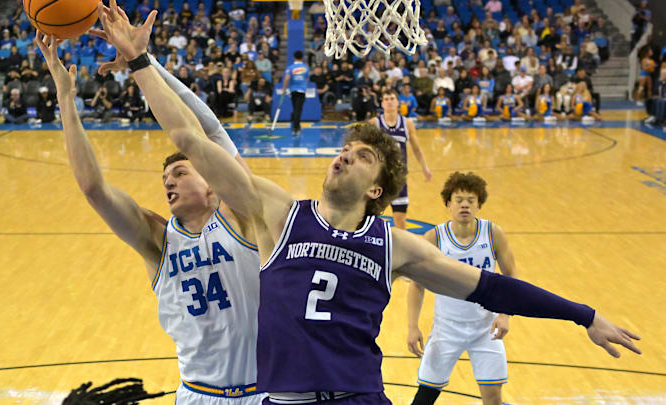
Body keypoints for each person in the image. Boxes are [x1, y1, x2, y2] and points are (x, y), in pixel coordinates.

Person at [96, 4, 641, 405]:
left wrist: (583, 314)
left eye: (359, 157)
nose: (341, 158)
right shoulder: (280, 216)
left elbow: (491, 287)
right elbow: (196, 139)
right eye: (343, 149)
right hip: (280, 399)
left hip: (359, 398)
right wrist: (143, 62)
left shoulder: (394, 245)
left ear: (377, 189)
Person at [36, 22, 266, 405]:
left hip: (265, 392)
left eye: (179, 173)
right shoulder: (157, 240)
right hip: (198, 395)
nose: (168, 183)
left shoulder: (241, 215)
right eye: (165, 178)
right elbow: (95, 188)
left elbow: (209, 130)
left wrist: (144, 61)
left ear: (212, 182)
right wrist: (65, 98)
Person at [407, 172, 515, 405]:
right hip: (446, 329)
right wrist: (412, 326)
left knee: (493, 401)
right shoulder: (434, 238)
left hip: (486, 329)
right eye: (458, 200)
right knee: (423, 399)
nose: (464, 205)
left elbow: (511, 277)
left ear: (479, 205)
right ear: (448, 204)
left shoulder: (493, 234)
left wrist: (505, 316)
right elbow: (416, 285)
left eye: (471, 200)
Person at [369, 89, 432, 230]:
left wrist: (425, 167)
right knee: (371, 220)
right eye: (386, 99)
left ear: (398, 102)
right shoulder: (375, 123)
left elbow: (416, 148)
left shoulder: (407, 123)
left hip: (399, 179)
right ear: (382, 103)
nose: (389, 101)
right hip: (379, 178)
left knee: (401, 223)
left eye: (392, 98)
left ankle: (399, 251)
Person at [282, 50, 309, 136]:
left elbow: (287, 78)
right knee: (298, 109)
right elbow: (307, 79)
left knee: (295, 109)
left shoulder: (291, 67)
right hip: (302, 91)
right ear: (302, 57)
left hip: (293, 91)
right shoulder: (306, 68)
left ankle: (296, 124)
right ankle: (295, 128)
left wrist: (284, 89)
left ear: (294, 57)